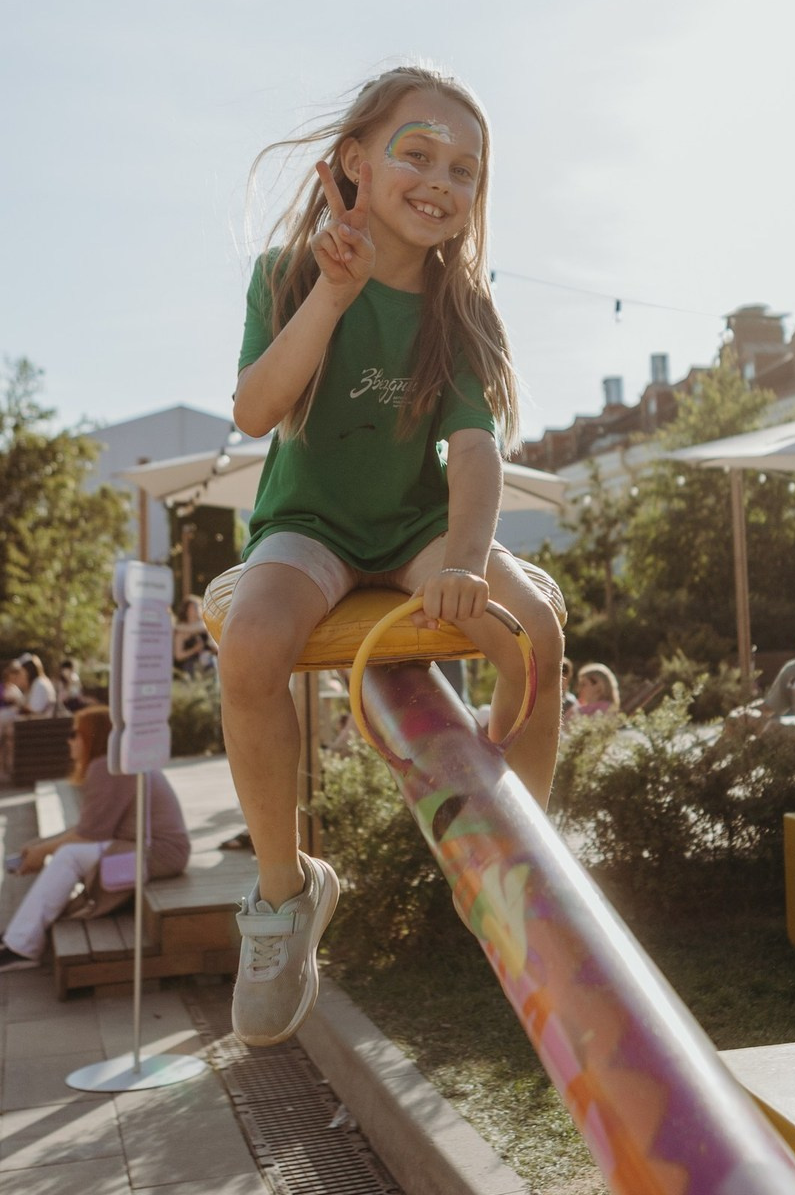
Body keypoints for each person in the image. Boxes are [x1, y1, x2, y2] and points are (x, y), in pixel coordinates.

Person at [217, 65, 565, 1047]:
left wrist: (462, 556)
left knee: (531, 624)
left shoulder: (462, 306)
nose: (440, 177)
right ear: (354, 163)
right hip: (313, 523)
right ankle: (286, 895)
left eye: (464, 167)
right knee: (248, 650)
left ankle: (512, 862)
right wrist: (332, 293)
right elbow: (254, 412)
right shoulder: (288, 274)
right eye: (416, 152)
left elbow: (475, 452)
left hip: (417, 529)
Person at [0, 706, 191, 971]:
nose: (69, 740)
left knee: (68, 856)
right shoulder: (117, 762)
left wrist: (43, 850)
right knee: (67, 853)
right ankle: (19, 936)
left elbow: (89, 835)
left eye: (74, 733)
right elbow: (89, 827)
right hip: (147, 848)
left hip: (158, 854)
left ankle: (22, 946)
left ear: (93, 736)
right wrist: (39, 846)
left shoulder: (109, 767)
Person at [173, 595, 217, 676]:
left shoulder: (204, 626)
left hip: (208, 664)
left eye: (199, 606)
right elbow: (179, 656)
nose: (197, 609)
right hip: (190, 668)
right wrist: (194, 649)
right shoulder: (180, 633)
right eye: (193, 607)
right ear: (186, 611)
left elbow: (215, 648)